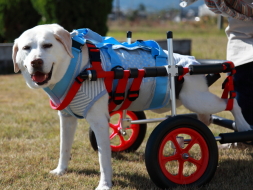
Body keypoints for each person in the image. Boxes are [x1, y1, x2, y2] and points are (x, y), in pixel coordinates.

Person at [181, 0, 253, 126]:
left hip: (245, 45)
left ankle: (246, 137)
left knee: (243, 88)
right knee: (242, 87)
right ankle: (245, 134)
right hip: (243, 41)